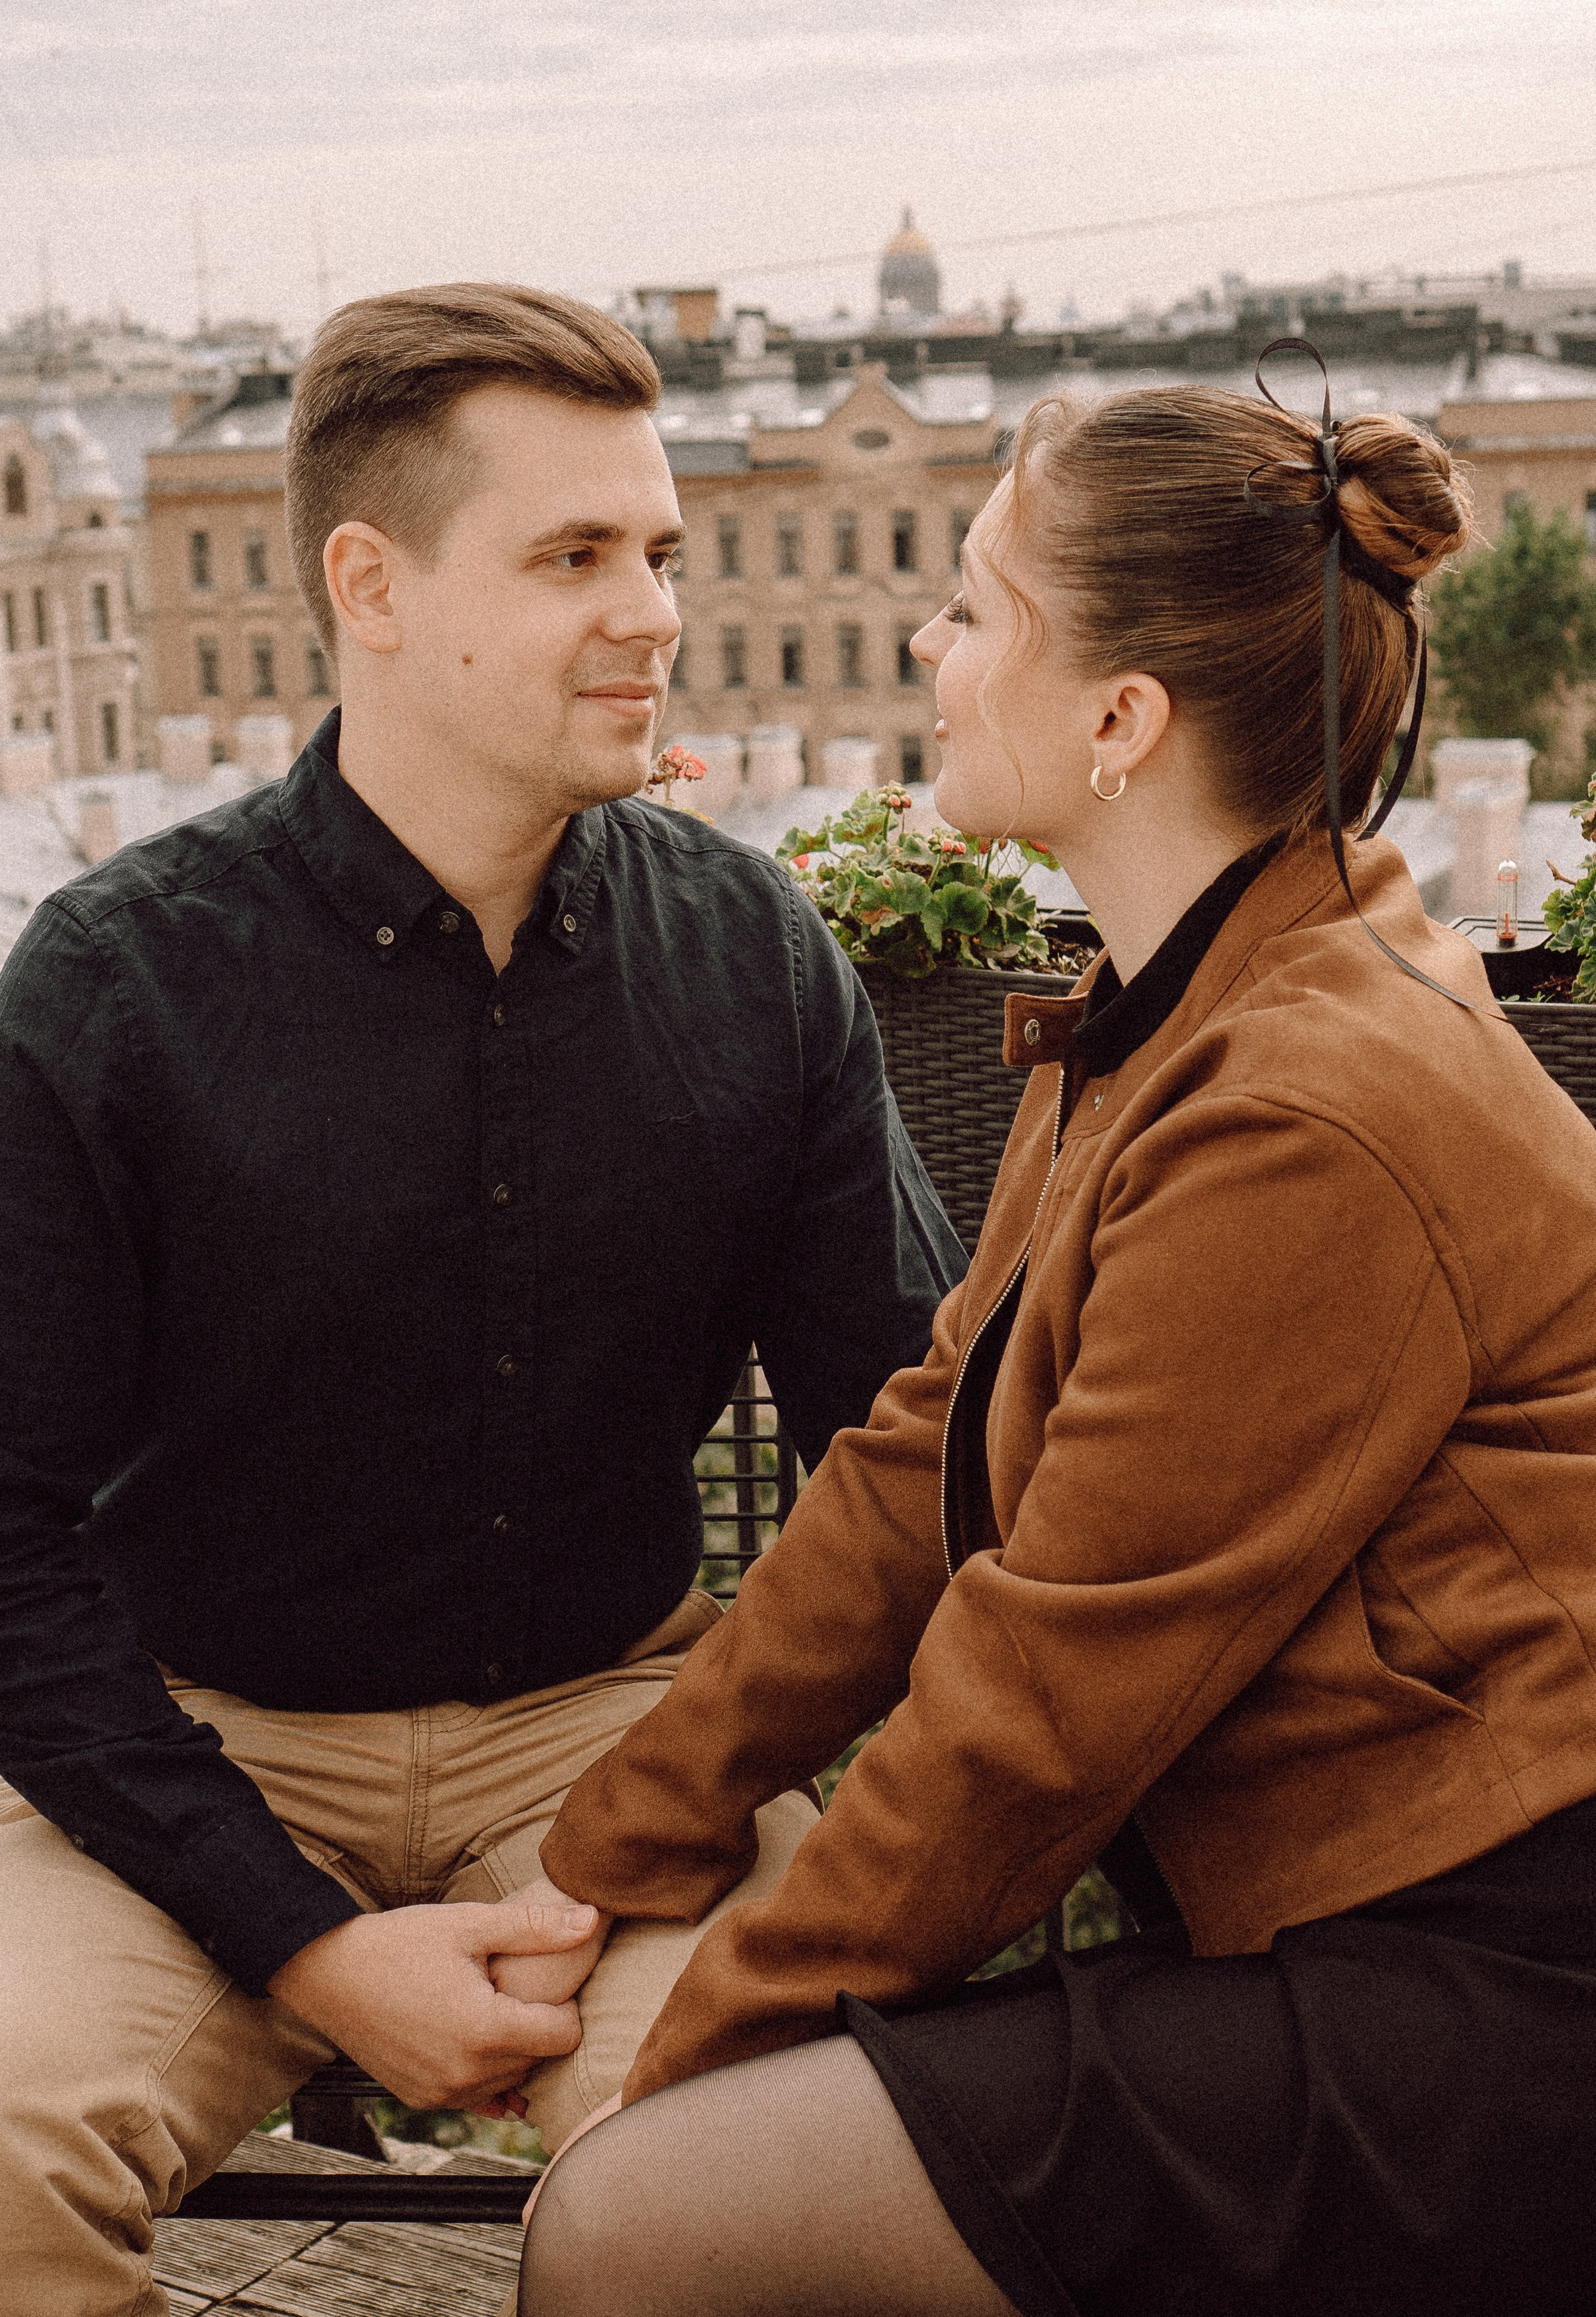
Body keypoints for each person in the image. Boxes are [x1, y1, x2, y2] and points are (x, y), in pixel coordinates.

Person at [0, 284, 963, 2316]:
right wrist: (296, 1938)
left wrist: (684, 1794)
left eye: (659, 548)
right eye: (573, 558)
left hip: (619, 1728)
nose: (653, 609)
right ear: (367, 587)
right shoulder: (118, 980)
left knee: (761, 2175)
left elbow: (904, 1453)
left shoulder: (755, 959)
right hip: (194, 1737)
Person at [518, 358, 1596, 2317]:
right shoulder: (1181, 1003)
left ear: (1119, 717)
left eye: (976, 608)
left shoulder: (1301, 1104)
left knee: (634, 2233)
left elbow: (1040, 1700)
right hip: (1349, 1921)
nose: (929, 648)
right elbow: (910, 1476)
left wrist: (660, 2094)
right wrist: (603, 1859)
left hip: (1501, 1986)